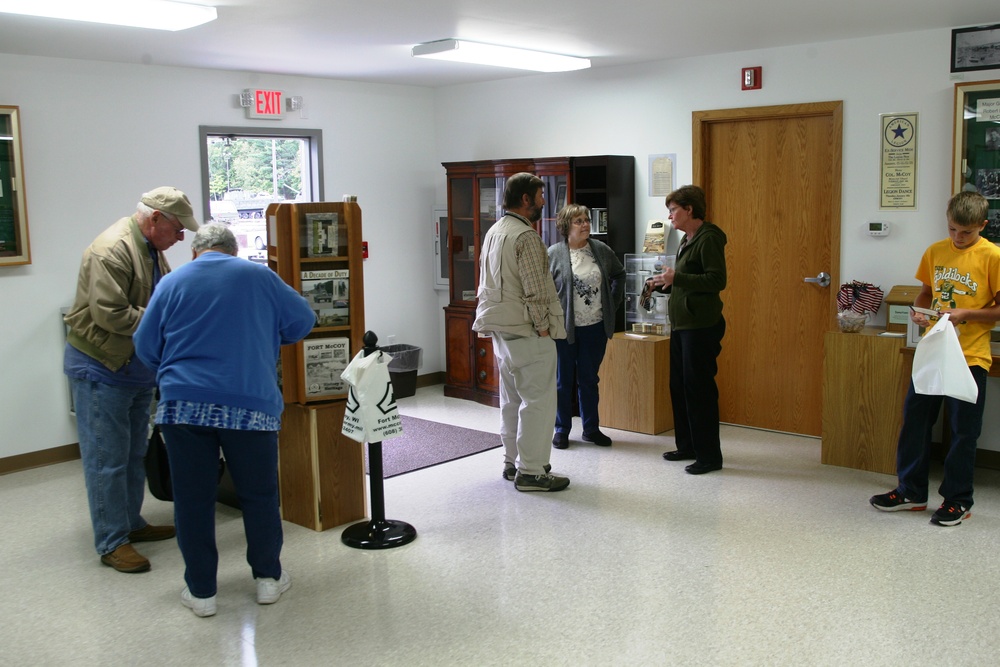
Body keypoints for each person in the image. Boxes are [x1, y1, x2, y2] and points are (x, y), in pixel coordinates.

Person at [134, 224, 315, 616]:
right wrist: (265, 336)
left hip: (183, 406)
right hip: (251, 404)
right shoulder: (259, 276)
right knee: (260, 495)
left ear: (196, 252)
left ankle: (202, 593)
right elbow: (303, 320)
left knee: (193, 500)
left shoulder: (172, 281)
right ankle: (267, 579)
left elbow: (146, 346)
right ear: (232, 252)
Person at [64, 186, 198, 573]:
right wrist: (165, 324)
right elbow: (110, 314)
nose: (181, 236)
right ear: (154, 219)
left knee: (131, 453)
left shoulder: (151, 248)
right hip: (102, 366)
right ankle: (111, 541)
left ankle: (130, 523)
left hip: (135, 368)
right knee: (107, 460)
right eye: (177, 228)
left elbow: (163, 296)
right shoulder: (112, 249)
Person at [870, 191, 1000, 526]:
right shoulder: (936, 251)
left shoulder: (992, 256)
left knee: (962, 431)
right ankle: (910, 491)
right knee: (915, 421)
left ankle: (958, 500)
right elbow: (927, 291)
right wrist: (919, 311)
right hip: (933, 350)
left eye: (967, 232)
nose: (958, 237)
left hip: (969, 356)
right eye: (953, 229)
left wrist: (965, 313)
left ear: (982, 226)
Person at [473, 172, 570, 492]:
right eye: (541, 197)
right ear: (525, 200)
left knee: (511, 400)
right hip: (527, 331)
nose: (544, 203)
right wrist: (544, 329)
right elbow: (537, 290)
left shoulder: (494, 231)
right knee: (539, 402)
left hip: (501, 330)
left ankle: (512, 462)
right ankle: (531, 472)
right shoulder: (526, 237)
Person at [649, 185, 728, 475]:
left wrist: (678, 276)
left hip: (701, 326)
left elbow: (716, 280)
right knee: (679, 386)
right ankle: (687, 446)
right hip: (683, 325)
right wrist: (668, 284)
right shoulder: (687, 239)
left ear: (689, 209)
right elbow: (689, 281)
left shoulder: (709, 238)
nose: (670, 216)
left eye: (673, 210)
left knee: (699, 391)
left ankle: (709, 456)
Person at [547, 203, 626, 449]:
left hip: (595, 327)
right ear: (566, 226)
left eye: (586, 220)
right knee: (563, 381)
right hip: (564, 328)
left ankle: (591, 428)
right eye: (579, 221)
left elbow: (619, 275)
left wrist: (611, 306)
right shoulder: (553, 254)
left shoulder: (600, 250)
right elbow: (544, 289)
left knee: (589, 379)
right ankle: (561, 429)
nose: (585, 225)